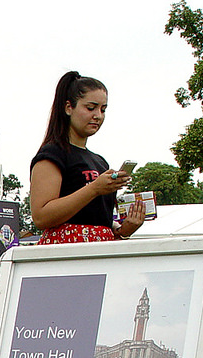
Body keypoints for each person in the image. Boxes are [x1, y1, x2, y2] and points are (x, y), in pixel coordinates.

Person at [30, 72, 145, 243]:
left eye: (103, 109)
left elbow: (93, 217)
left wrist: (123, 230)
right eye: (90, 108)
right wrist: (94, 188)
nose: (97, 115)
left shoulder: (100, 161)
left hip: (100, 253)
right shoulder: (53, 154)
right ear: (69, 107)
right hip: (65, 254)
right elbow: (41, 216)